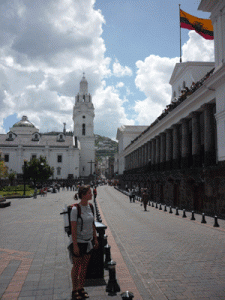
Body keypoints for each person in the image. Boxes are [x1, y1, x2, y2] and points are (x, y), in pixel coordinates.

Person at [69, 185, 99, 300]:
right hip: (78, 242)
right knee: (76, 267)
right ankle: (74, 290)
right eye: (89, 193)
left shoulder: (91, 207)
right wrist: (75, 245)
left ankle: (81, 287)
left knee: (84, 267)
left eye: (91, 193)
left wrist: (95, 238)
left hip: (88, 242)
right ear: (83, 195)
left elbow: (92, 224)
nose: (92, 195)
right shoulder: (75, 209)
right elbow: (73, 228)